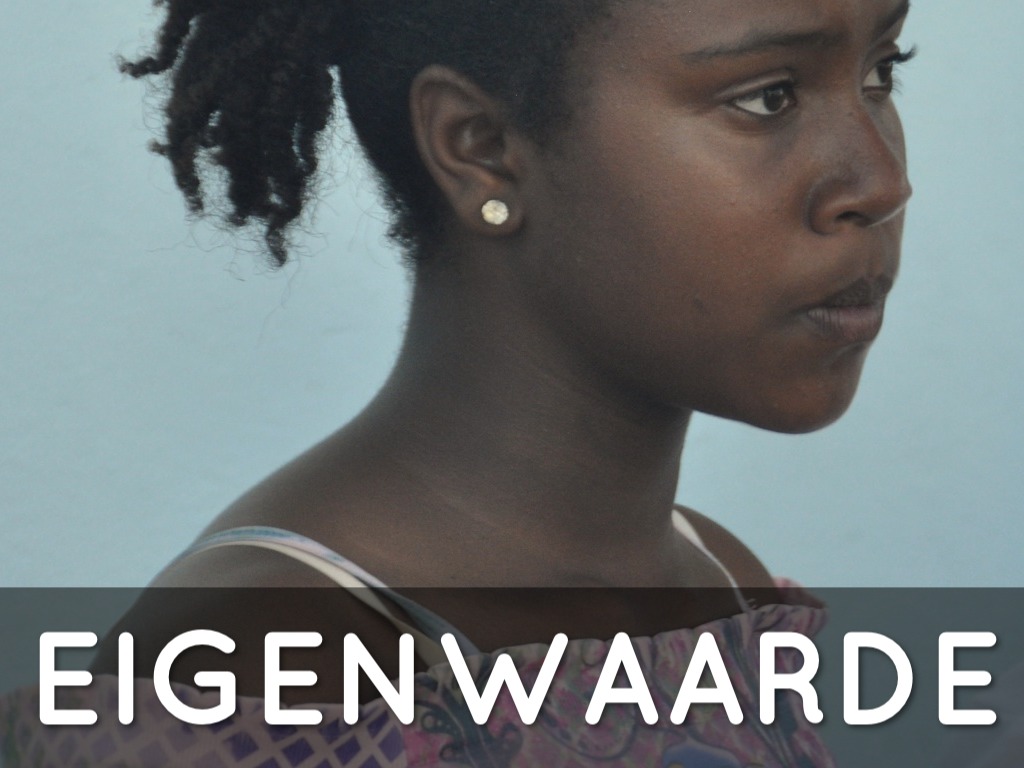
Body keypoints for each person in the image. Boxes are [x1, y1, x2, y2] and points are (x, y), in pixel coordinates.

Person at [1, 0, 915, 765]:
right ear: (480, 148)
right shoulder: (247, 687)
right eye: (767, 97)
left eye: (881, 71)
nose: (880, 181)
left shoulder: (717, 583)